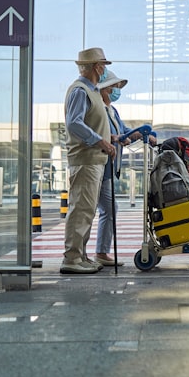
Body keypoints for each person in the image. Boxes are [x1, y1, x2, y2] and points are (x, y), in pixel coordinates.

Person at [61, 47, 118, 274]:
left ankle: (81, 256)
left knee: (87, 210)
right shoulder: (80, 90)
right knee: (81, 209)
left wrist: (108, 138)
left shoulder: (91, 91)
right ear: (96, 67)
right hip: (86, 159)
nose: (104, 69)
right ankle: (72, 259)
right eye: (103, 65)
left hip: (94, 161)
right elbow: (74, 123)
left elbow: (87, 122)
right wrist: (100, 141)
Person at [94, 70, 154, 266]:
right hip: (100, 165)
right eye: (113, 86)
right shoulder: (98, 109)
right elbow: (100, 133)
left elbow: (124, 130)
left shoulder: (112, 111)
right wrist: (116, 138)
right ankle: (98, 253)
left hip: (110, 167)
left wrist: (143, 134)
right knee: (106, 209)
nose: (115, 90)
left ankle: (99, 253)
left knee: (106, 209)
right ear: (103, 89)